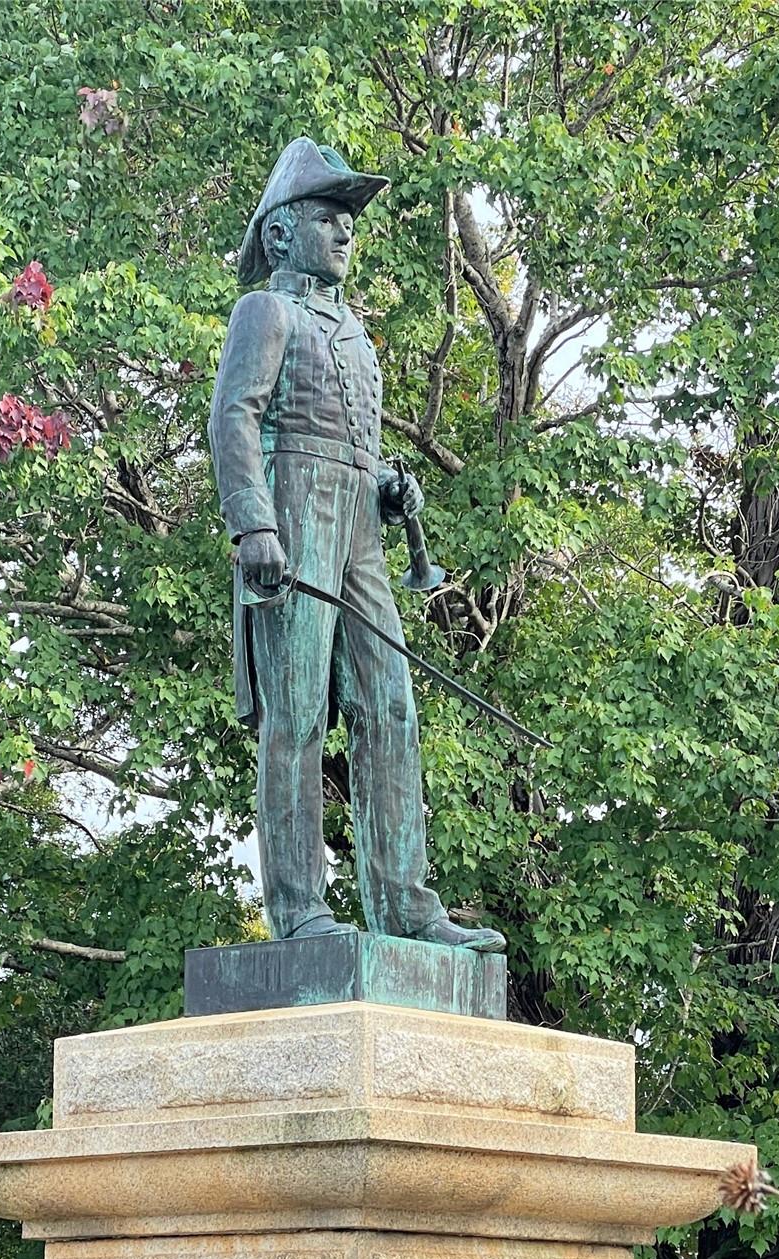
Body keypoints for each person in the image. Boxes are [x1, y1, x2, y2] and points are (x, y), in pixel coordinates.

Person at [208, 138, 503, 952]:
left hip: (360, 532)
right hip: (292, 514)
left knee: (391, 708)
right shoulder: (264, 311)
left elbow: (355, 443)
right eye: (328, 219)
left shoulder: (356, 331)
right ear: (279, 234)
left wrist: (385, 482)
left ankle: (405, 905)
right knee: (296, 716)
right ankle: (299, 906)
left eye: (350, 223)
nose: (345, 235)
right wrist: (254, 523)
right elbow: (234, 414)